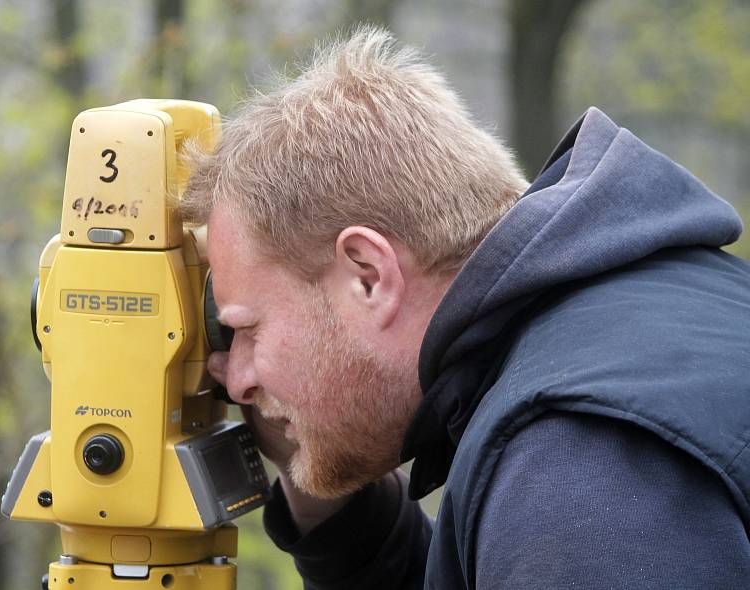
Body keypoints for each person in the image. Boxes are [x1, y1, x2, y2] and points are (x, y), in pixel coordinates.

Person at [182, 26, 750, 589]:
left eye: (248, 329)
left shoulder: (581, 461)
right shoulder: (636, 324)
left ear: (369, 276)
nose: (236, 379)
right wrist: (328, 490)